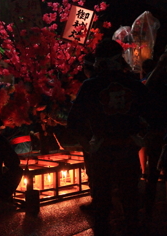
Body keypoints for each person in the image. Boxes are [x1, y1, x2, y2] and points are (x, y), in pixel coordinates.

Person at [67, 38, 151, 236]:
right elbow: (154, 115)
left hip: (101, 150)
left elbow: (73, 122)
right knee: (130, 200)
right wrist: (140, 137)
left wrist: (88, 145)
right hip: (128, 148)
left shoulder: (90, 86)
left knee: (102, 203)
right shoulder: (135, 85)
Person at [143, 48, 167, 219]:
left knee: (153, 172)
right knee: (154, 171)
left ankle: (148, 210)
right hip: (159, 129)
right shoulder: (158, 76)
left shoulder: (155, 76)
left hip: (156, 129)